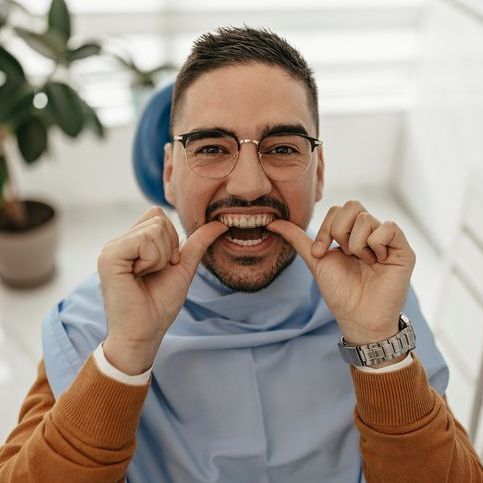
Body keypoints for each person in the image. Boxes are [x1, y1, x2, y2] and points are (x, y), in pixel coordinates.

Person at [0, 26, 481, 483]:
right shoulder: (95, 322)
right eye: (210, 147)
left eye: (282, 148)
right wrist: (124, 356)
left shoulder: (380, 299)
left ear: (318, 174)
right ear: (170, 172)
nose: (250, 185)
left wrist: (378, 347)